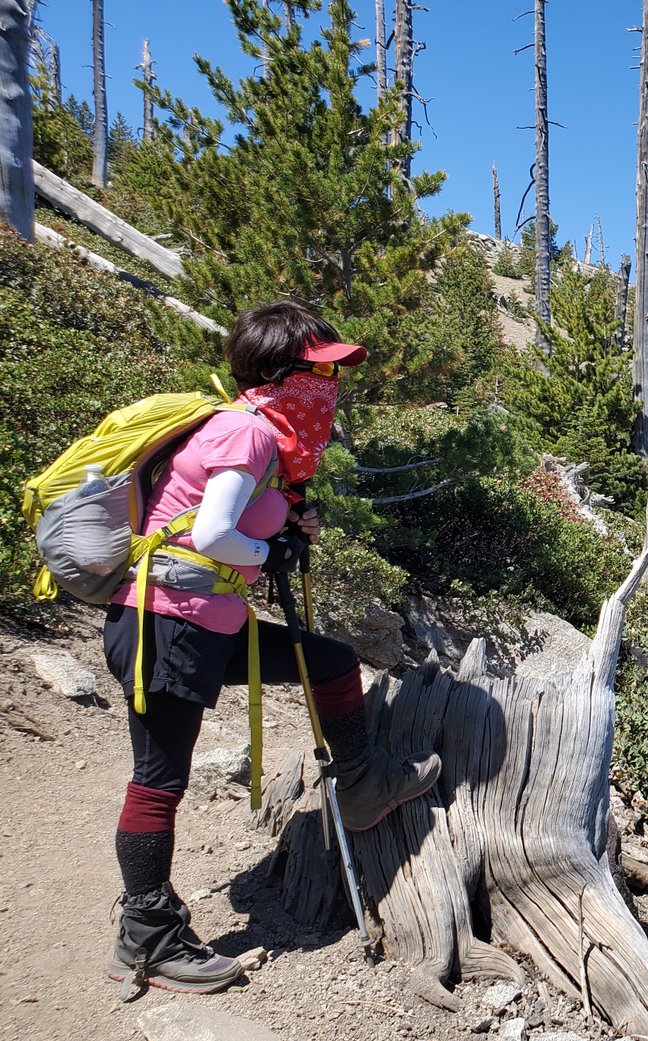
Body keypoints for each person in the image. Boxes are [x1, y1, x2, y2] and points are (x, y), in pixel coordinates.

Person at [102, 298, 441, 996]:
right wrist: (271, 549)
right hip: (167, 624)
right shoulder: (247, 433)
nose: (330, 387)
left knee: (332, 662)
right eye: (319, 372)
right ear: (278, 374)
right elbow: (212, 535)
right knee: (159, 779)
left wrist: (285, 522)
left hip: (204, 622)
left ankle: (362, 785)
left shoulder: (258, 436)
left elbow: (222, 519)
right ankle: (147, 935)